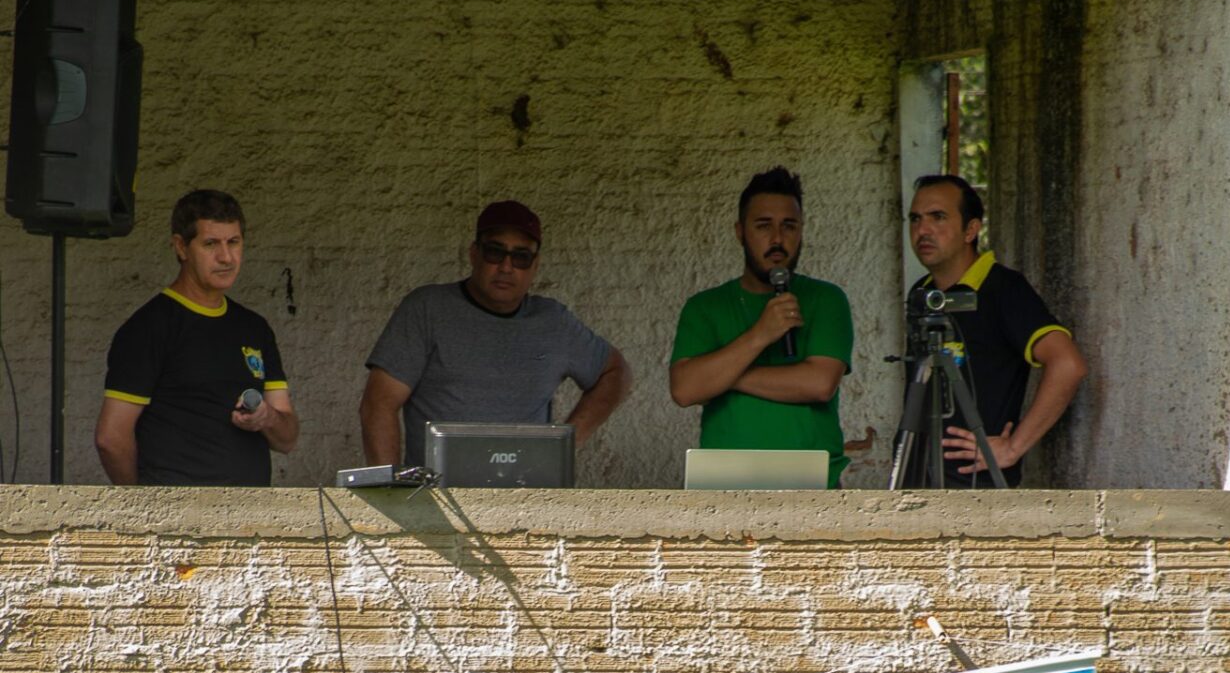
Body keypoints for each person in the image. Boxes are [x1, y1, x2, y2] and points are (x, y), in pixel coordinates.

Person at [360, 200, 631, 466]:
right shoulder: (427, 309)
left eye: (521, 257)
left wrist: (565, 444)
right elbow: (378, 405)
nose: (506, 266)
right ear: (474, 254)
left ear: (535, 266)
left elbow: (615, 372)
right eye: (495, 252)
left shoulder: (554, 322)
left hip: (528, 499)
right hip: (438, 499)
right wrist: (391, 492)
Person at [669, 166, 854, 487]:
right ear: (740, 232)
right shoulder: (704, 306)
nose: (777, 239)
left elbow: (820, 384)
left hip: (811, 482)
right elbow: (685, 390)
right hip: (723, 482)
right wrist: (761, 334)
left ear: (802, 231)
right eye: (763, 226)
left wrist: (723, 377)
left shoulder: (826, 298)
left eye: (789, 226)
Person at [97, 189, 298, 485]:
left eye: (234, 242)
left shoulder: (255, 328)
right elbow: (111, 437)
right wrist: (140, 508)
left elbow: (288, 440)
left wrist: (266, 417)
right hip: (176, 520)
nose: (226, 257)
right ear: (181, 247)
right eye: (211, 244)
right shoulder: (149, 326)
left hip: (250, 520)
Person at [905, 174, 1087, 487]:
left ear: (971, 230)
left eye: (938, 217)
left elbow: (1068, 364)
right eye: (915, 219)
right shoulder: (922, 293)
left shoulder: (1003, 288)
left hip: (977, 487)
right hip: (915, 481)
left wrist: (1014, 447)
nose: (923, 230)